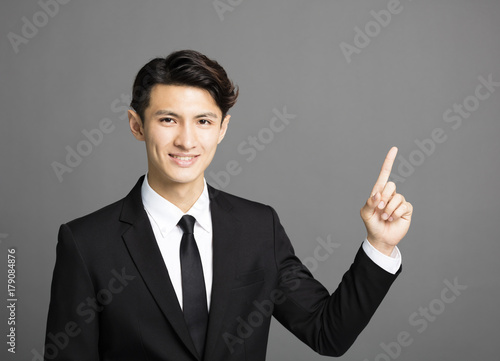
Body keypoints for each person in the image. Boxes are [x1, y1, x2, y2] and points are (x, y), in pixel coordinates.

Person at [43, 49, 413, 361]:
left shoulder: (258, 227)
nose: (187, 140)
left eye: (203, 121)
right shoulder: (86, 243)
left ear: (222, 129)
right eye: (168, 119)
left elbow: (326, 332)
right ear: (137, 125)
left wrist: (380, 246)